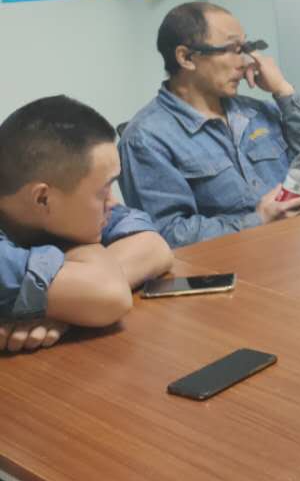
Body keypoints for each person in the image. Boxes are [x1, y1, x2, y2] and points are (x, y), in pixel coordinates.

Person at [119, 3, 300, 249]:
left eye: (245, 48)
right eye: (233, 50)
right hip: (241, 259)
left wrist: (283, 90)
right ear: (186, 57)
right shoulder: (146, 139)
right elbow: (169, 235)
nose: (245, 62)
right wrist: (259, 220)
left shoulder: (255, 111)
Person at [0, 96, 172, 354]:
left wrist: (67, 306)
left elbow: (154, 247)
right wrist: (85, 292)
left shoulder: (55, 211)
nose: (113, 202)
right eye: (104, 190)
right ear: (43, 198)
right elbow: (110, 294)